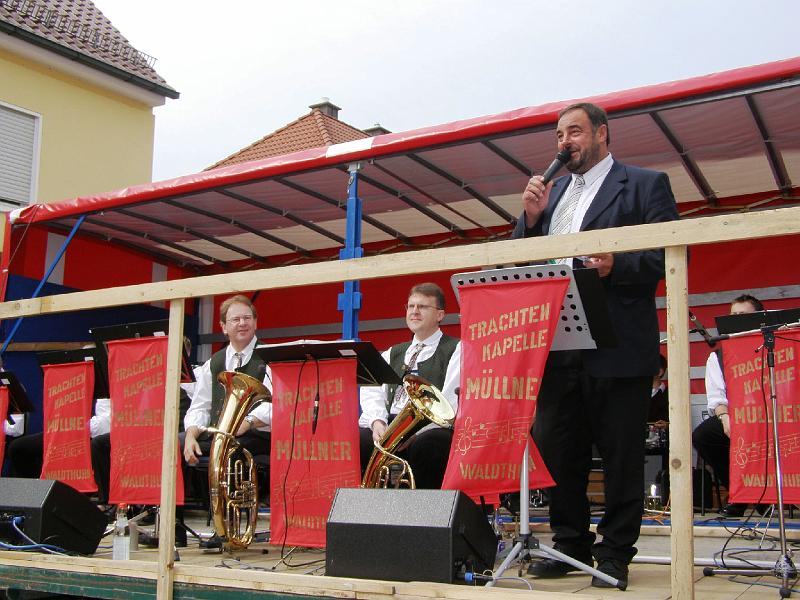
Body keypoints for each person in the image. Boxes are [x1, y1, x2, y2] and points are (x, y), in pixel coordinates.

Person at [513, 102, 679, 587]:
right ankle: (570, 546)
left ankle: (614, 555)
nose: (565, 142)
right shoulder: (553, 193)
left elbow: (665, 256)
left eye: (576, 132)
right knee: (560, 450)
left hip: (616, 341)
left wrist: (615, 265)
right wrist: (529, 220)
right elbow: (525, 260)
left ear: (603, 134)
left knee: (621, 452)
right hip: (559, 341)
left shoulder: (645, 184)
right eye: (560, 134)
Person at [358, 282, 460, 489]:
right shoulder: (392, 352)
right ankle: (363, 510)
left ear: (440, 315)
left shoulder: (456, 350)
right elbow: (372, 388)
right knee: (355, 441)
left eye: (422, 307)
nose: (414, 312)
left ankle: (424, 514)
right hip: (390, 423)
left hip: (430, 427)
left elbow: (450, 402)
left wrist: (413, 432)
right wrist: (377, 422)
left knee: (428, 446)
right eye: (410, 306)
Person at [692, 294, 765, 518]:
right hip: (737, 417)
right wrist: (725, 418)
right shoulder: (719, 357)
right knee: (705, 435)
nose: (737, 319)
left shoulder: (775, 347)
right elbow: (717, 396)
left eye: (743, 315)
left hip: (772, 417)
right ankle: (740, 493)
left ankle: (773, 496)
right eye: (734, 316)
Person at [182, 294, 272, 467]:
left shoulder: (270, 357)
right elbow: (200, 406)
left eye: (247, 318)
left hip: (255, 436)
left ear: (255, 323)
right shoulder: (214, 362)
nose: (242, 323)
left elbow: (276, 405)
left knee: (229, 451)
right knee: (176, 446)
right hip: (219, 435)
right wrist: (190, 436)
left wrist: (246, 423)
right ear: (224, 327)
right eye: (235, 319)